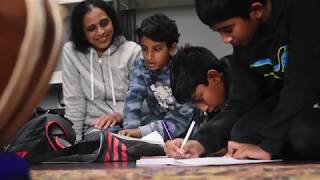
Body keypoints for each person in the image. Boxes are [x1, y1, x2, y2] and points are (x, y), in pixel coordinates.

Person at [169, 0, 320, 160]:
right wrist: (201, 142)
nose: (225, 39)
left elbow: (302, 84)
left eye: (228, 29)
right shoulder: (245, 40)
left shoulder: (304, 10)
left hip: (311, 95)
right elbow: (241, 101)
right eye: (218, 32)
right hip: (287, 100)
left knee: (303, 135)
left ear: (256, 10)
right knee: (242, 133)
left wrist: (269, 146)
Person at [62, 0, 141, 142]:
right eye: (91, 28)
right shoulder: (71, 52)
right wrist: (74, 144)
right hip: (94, 131)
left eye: (104, 23)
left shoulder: (133, 51)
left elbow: (142, 98)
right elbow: (74, 101)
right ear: (83, 33)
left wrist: (119, 115)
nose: (101, 32)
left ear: (113, 21)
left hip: (131, 126)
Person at [119, 14, 200, 141]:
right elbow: (132, 101)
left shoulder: (183, 71)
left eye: (157, 49)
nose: (149, 56)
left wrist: (140, 132)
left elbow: (180, 120)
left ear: (172, 48)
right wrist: (129, 133)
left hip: (187, 129)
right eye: (144, 49)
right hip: (157, 123)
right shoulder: (140, 67)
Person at [164, 46, 231, 158]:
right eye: (195, 104)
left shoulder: (243, 83)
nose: (203, 108)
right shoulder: (215, 106)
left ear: (214, 77)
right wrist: (194, 144)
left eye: (200, 99)